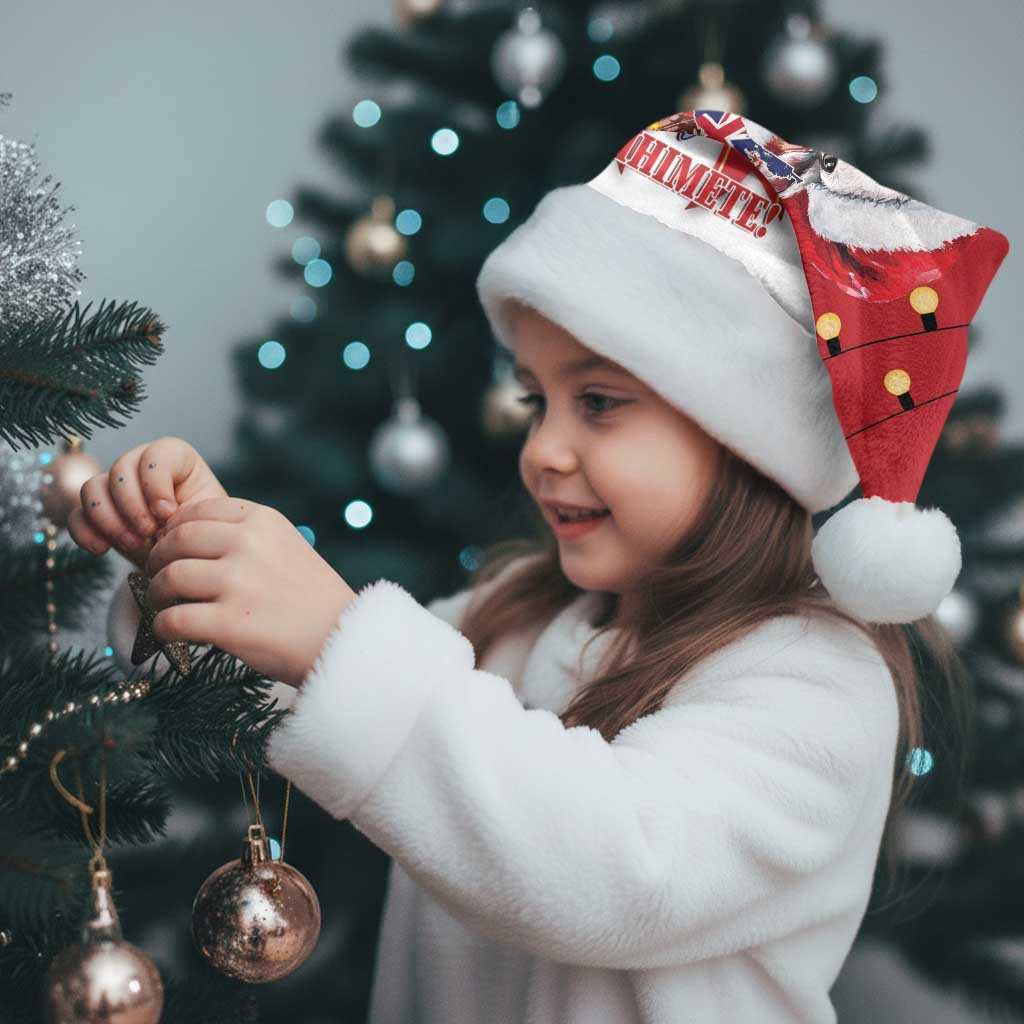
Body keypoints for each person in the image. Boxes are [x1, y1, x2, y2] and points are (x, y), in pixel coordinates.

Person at [72, 108, 1009, 1023]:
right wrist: (190, 566)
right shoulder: (514, 617)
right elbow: (305, 692)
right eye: (535, 402)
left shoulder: (819, 683)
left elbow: (616, 870)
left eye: (598, 403)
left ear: (746, 441)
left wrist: (334, 637)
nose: (543, 450)